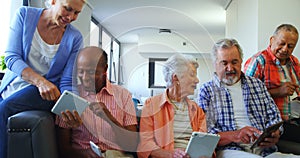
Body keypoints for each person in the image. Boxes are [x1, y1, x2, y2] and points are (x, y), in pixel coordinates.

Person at [0, 0, 85, 157]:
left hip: (44, 94)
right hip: (20, 85)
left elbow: (67, 80)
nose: (71, 16)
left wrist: (71, 107)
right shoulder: (24, 15)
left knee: (4, 109)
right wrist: (40, 81)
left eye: (77, 13)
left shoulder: (75, 38)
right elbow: (11, 58)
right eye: (68, 9)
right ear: (53, 1)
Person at [197, 38, 296, 158]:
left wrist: (275, 133)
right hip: (230, 150)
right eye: (224, 63)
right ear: (215, 64)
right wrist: (236, 135)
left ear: (241, 62)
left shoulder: (257, 85)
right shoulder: (207, 91)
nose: (230, 68)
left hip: (266, 150)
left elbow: (274, 117)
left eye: (234, 62)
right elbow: (206, 134)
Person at [55, 46, 138, 158]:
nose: (84, 77)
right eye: (80, 71)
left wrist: (109, 118)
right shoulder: (70, 96)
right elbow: (63, 148)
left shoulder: (123, 95)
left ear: (105, 69)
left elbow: (132, 144)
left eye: (90, 71)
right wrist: (83, 155)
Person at [138, 53, 207, 158]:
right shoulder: (151, 105)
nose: (197, 80)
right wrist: (170, 154)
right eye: (192, 75)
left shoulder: (197, 110)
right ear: (176, 78)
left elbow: (204, 143)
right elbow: (145, 145)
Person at [244, 24, 300, 121]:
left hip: (294, 120)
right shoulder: (258, 61)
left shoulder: (295, 62)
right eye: (281, 43)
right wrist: (278, 91)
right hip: (272, 124)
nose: (285, 49)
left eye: (290, 46)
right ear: (272, 40)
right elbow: (247, 96)